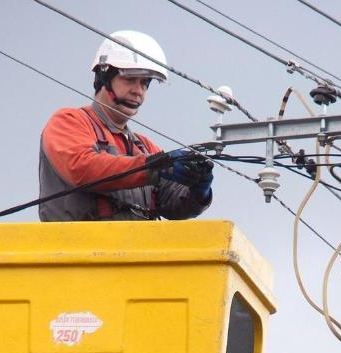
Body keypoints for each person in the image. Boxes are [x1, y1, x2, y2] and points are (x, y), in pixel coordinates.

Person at [39, 30, 213, 221]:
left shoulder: (144, 146)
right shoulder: (69, 121)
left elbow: (172, 200)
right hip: (77, 248)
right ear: (104, 76)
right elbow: (81, 168)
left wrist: (197, 190)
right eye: (130, 79)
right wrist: (153, 168)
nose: (138, 90)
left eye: (145, 83)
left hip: (132, 249)